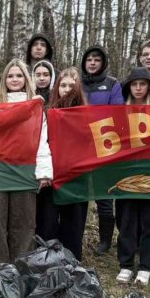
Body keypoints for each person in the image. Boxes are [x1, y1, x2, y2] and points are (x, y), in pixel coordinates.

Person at [0, 59, 52, 262]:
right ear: (4, 79)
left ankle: (22, 264)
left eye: (19, 75)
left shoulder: (36, 105)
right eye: (10, 76)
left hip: (25, 168)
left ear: (26, 79)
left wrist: (44, 171)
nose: (14, 79)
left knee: (24, 221)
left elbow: (41, 139)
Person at [114, 68, 150, 286]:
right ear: (128, 87)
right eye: (134, 84)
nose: (138, 88)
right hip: (125, 173)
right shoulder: (118, 112)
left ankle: (145, 265)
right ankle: (126, 264)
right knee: (126, 220)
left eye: (142, 84)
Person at [37, 68, 87, 260]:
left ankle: (71, 261)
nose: (67, 89)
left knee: (73, 223)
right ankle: (45, 261)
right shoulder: (47, 112)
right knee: (47, 222)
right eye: (63, 85)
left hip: (77, 177)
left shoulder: (87, 114)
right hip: (52, 174)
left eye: (71, 86)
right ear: (57, 88)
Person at [80, 45, 123, 255]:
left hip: (104, 146)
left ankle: (105, 240)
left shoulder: (112, 83)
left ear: (103, 63)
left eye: (97, 59)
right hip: (79, 146)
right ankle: (76, 235)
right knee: (78, 194)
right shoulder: (77, 82)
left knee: (104, 196)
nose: (92, 63)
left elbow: (117, 112)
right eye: (89, 59)